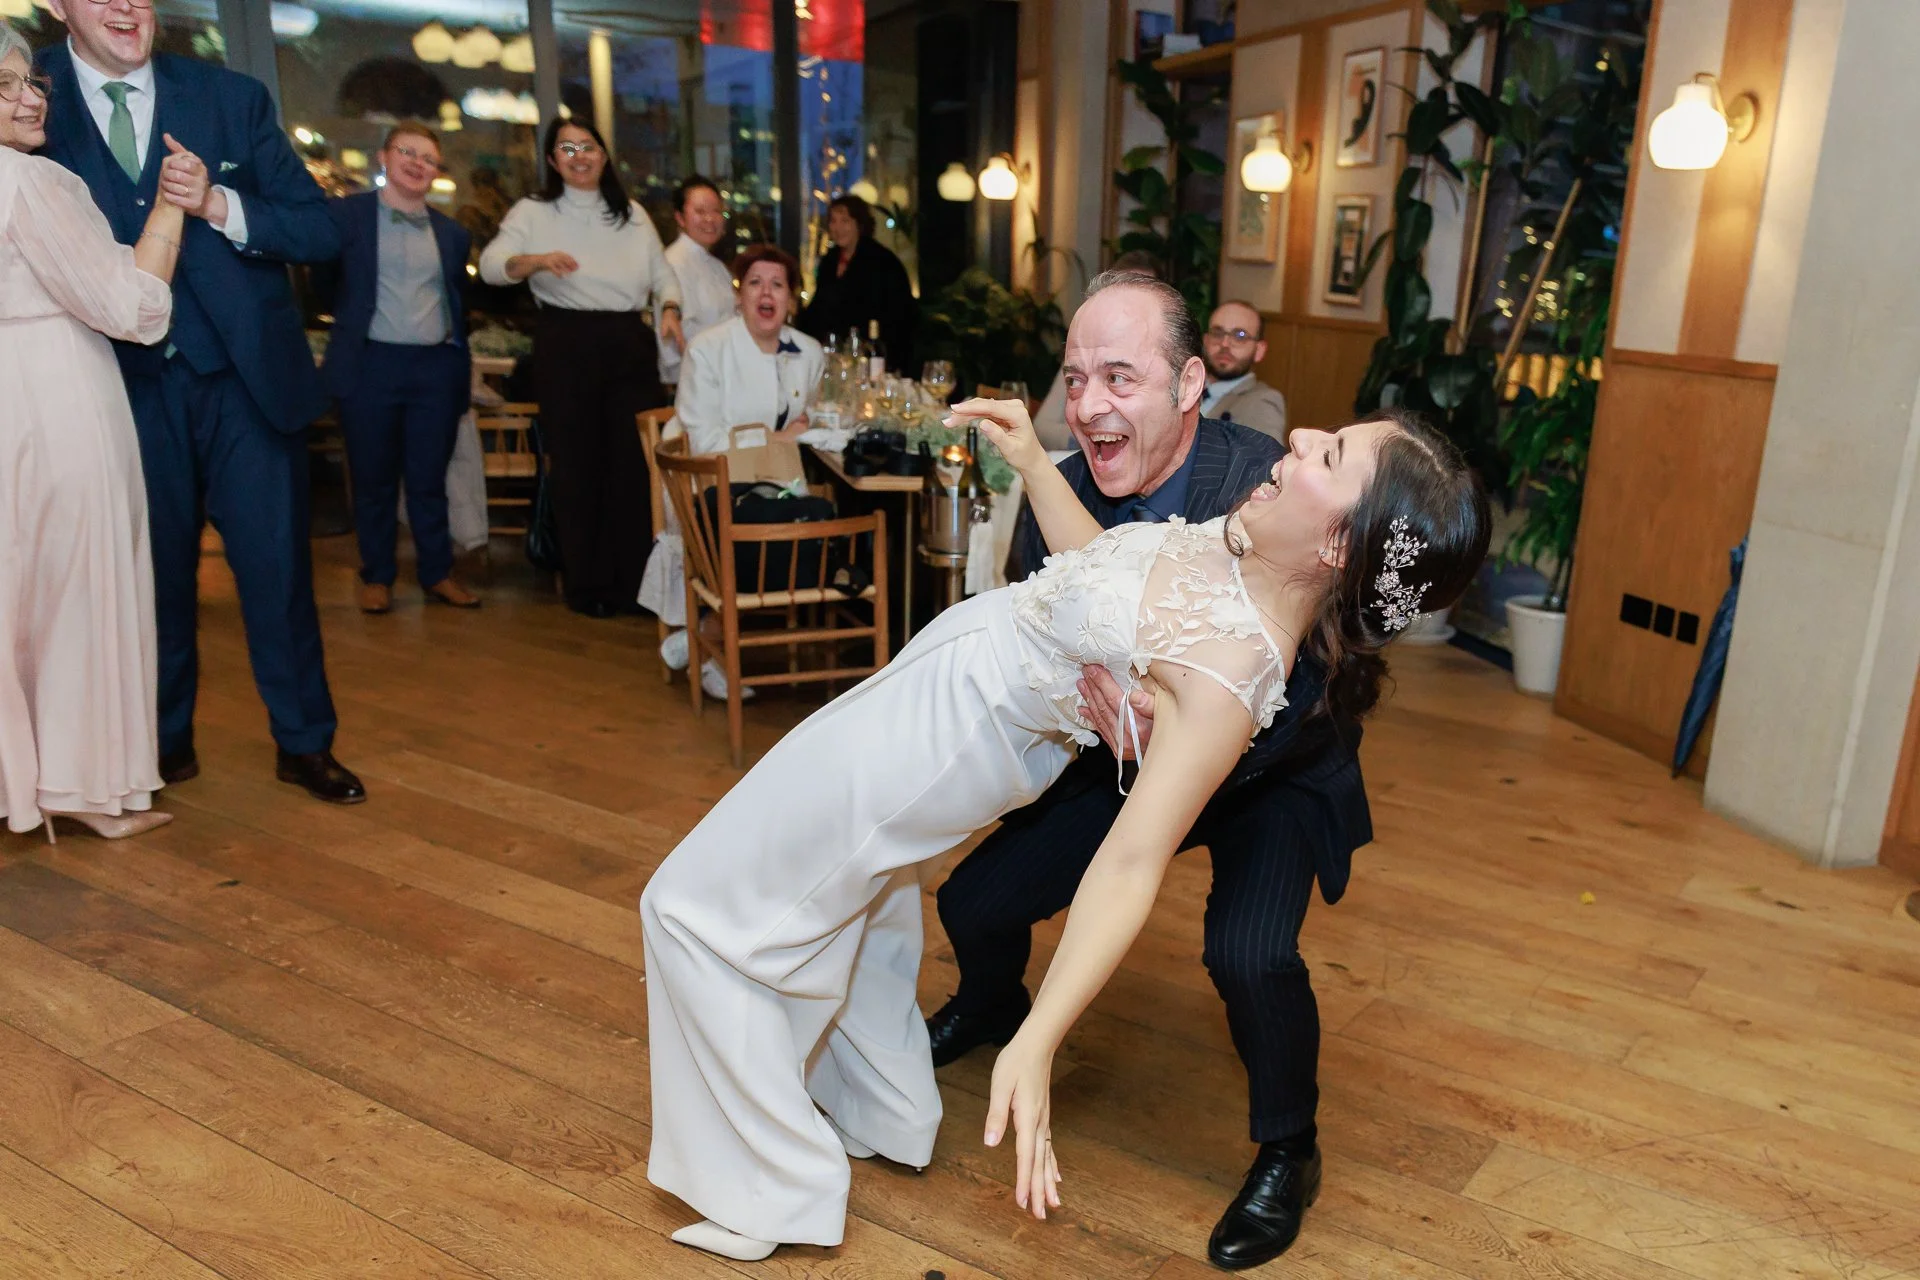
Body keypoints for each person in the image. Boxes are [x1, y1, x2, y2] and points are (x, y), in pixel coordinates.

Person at [640, 271, 1490, 1263]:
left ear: (1342, 539)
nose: (1301, 438)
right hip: (940, 687)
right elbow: (1106, 572)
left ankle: (774, 1186)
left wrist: (1040, 1037)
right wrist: (1032, 464)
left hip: (950, 737)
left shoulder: (1232, 661)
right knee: (860, 897)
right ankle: (881, 1107)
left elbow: (1130, 864)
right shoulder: (1252, 543)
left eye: (1331, 453)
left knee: (692, 908)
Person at [928, 280, 1347, 1272]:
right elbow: (1042, 606)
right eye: (1075, 379)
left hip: (1268, 769)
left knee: (1249, 954)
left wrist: (1198, 720)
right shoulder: (1056, 484)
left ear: (1192, 383)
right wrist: (1092, 684)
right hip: (1117, 762)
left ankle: (1290, 1143)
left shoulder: (1264, 485)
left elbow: (1326, 672)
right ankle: (995, 1001)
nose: (1089, 405)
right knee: (972, 898)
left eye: (1120, 376)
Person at [36, 0, 364, 805]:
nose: (125, 7)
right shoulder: (26, 94)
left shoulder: (231, 98)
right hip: (112, 381)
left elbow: (320, 231)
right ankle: (160, 740)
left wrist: (220, 205)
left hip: (246, 386)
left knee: (277, 571)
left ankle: (303, 743)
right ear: (56, 8)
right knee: (147, 579)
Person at [0, 20, 186, 838]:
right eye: (3, 86)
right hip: (58, 397)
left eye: (29, 82)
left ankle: (21, 784)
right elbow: (128, 308)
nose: (27, 98)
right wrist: (173, 212)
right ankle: (89, 790)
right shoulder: (31, 183)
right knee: (81, 593)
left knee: (14, 601)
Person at [478, 118, 681, 619]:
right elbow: (490, 264)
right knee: (577, 466)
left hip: (628, 343)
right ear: (552, 161)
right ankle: (587, 585)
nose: (578, 155)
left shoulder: (631, 214)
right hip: (566, 341)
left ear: (604, 154)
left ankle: (635, 584)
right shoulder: (534, 210)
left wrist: (671, 309)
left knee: (632, 466)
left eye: (587, 146)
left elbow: (663, 274)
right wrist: (536, 260)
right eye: (566, 148)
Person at [641, 244, 823, 700]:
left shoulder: (809, 351)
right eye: (755, 283)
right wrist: (778, 438)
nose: (766, 293)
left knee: (803, 514)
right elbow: (704, 439)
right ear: (739, 296)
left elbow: (817, 416)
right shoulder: (708, 349)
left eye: (778, 284)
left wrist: (801, 430)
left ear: (792, 298)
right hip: (705, 476)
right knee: (745, 522)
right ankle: (713, 641)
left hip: (772, 477)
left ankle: (703, 635)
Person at [316, 123, 478, 615]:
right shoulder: (347, 215)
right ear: (384, 156)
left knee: (429, 479)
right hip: (370, 364)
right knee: (373, 477)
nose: (417, 163)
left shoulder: (452, 234)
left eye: (428, 158)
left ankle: (437, 574)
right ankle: (377, 575)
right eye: (408, 152)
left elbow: (456, 299)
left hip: (434, 368)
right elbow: (326, 284)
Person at [796, 192, 915, 374]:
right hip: (836, 358)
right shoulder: (830, 260)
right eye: (833, 221)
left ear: (859, 224)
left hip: (873, 360)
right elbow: (819, 309)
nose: (837, 227)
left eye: (845, 221)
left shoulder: (881, 261)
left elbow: (897, 318)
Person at [659, 174, 735, 389]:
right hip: (691, 383)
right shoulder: (672, 263)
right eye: (700, 212)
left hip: (721, 378)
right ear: (680, 217)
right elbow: (674, 345)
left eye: (716, 211)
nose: (710, 219)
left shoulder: (717, 266)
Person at [1198, 300, 1290, 442]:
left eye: (1240, 336)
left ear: (1259, 350)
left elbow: (1264, 461)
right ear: (1205, 340)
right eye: (1217, 333)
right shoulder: (1184, 385)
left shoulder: (1263, 401)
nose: (1225, 344)